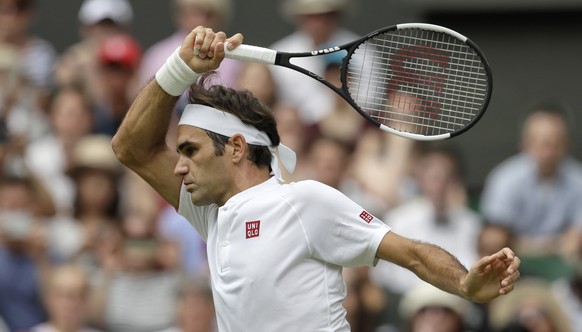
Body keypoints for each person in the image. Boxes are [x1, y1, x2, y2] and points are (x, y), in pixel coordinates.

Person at [111, 26, 521, 331]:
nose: (179, 167)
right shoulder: (212, 215)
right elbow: (130, 147)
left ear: (236, 148)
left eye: (190, 151)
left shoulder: (305, 201)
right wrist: (179, 68)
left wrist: (464, 284)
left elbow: (412, 253)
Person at [479, 104, 582, 259]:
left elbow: (576, 237)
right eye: (541, 143)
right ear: (525, 143)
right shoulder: (504, 178)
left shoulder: (578, 178)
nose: (548, 151)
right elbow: (494, 237)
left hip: (565, 264)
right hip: (512, 262)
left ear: (567, 143)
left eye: (556, 143)